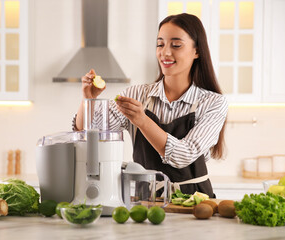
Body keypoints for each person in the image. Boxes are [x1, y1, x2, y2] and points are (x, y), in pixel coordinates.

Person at [73, 13, 228, 198]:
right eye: (160, 44)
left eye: (176, 45)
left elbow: (183, 156)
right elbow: (90, 136)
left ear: (197, 51)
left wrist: (142, 120)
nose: (165, 52)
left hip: (195, 203)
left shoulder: (213, 102)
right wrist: (88, 101)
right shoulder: (136, 95)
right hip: (146, 201)